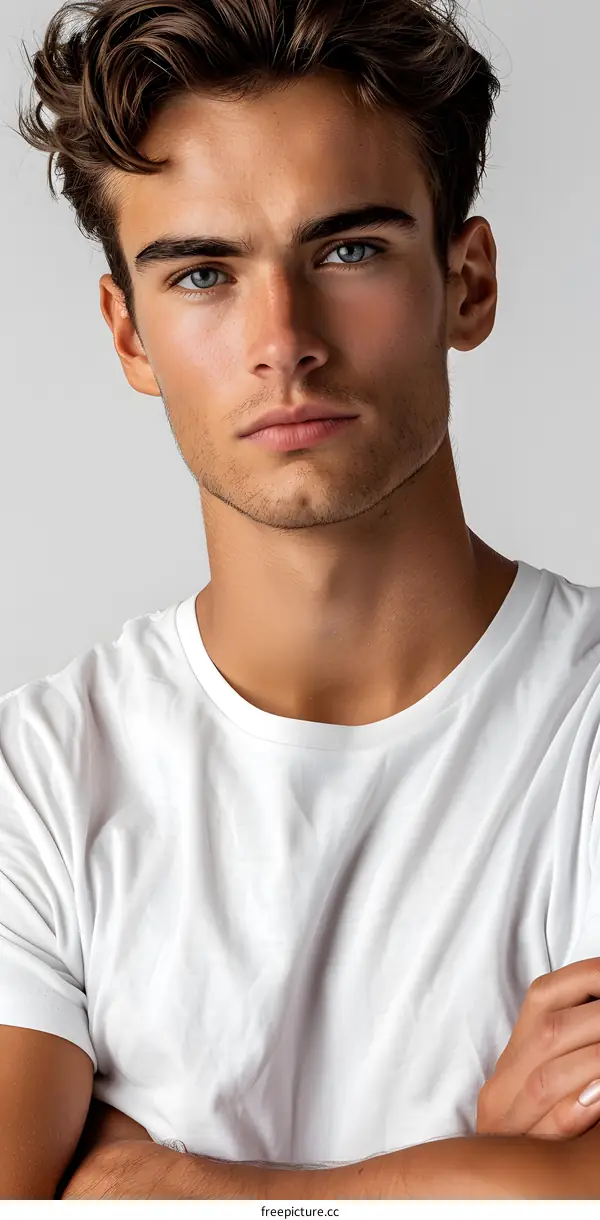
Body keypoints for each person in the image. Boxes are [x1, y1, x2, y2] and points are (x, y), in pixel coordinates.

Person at [2, 0, 600, 1202]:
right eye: (205, 272)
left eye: (347, 250)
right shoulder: (41, 781)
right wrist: (483, 1178)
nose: (284, 341)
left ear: (467, 282)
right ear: (130, 333)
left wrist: (148, 1182)